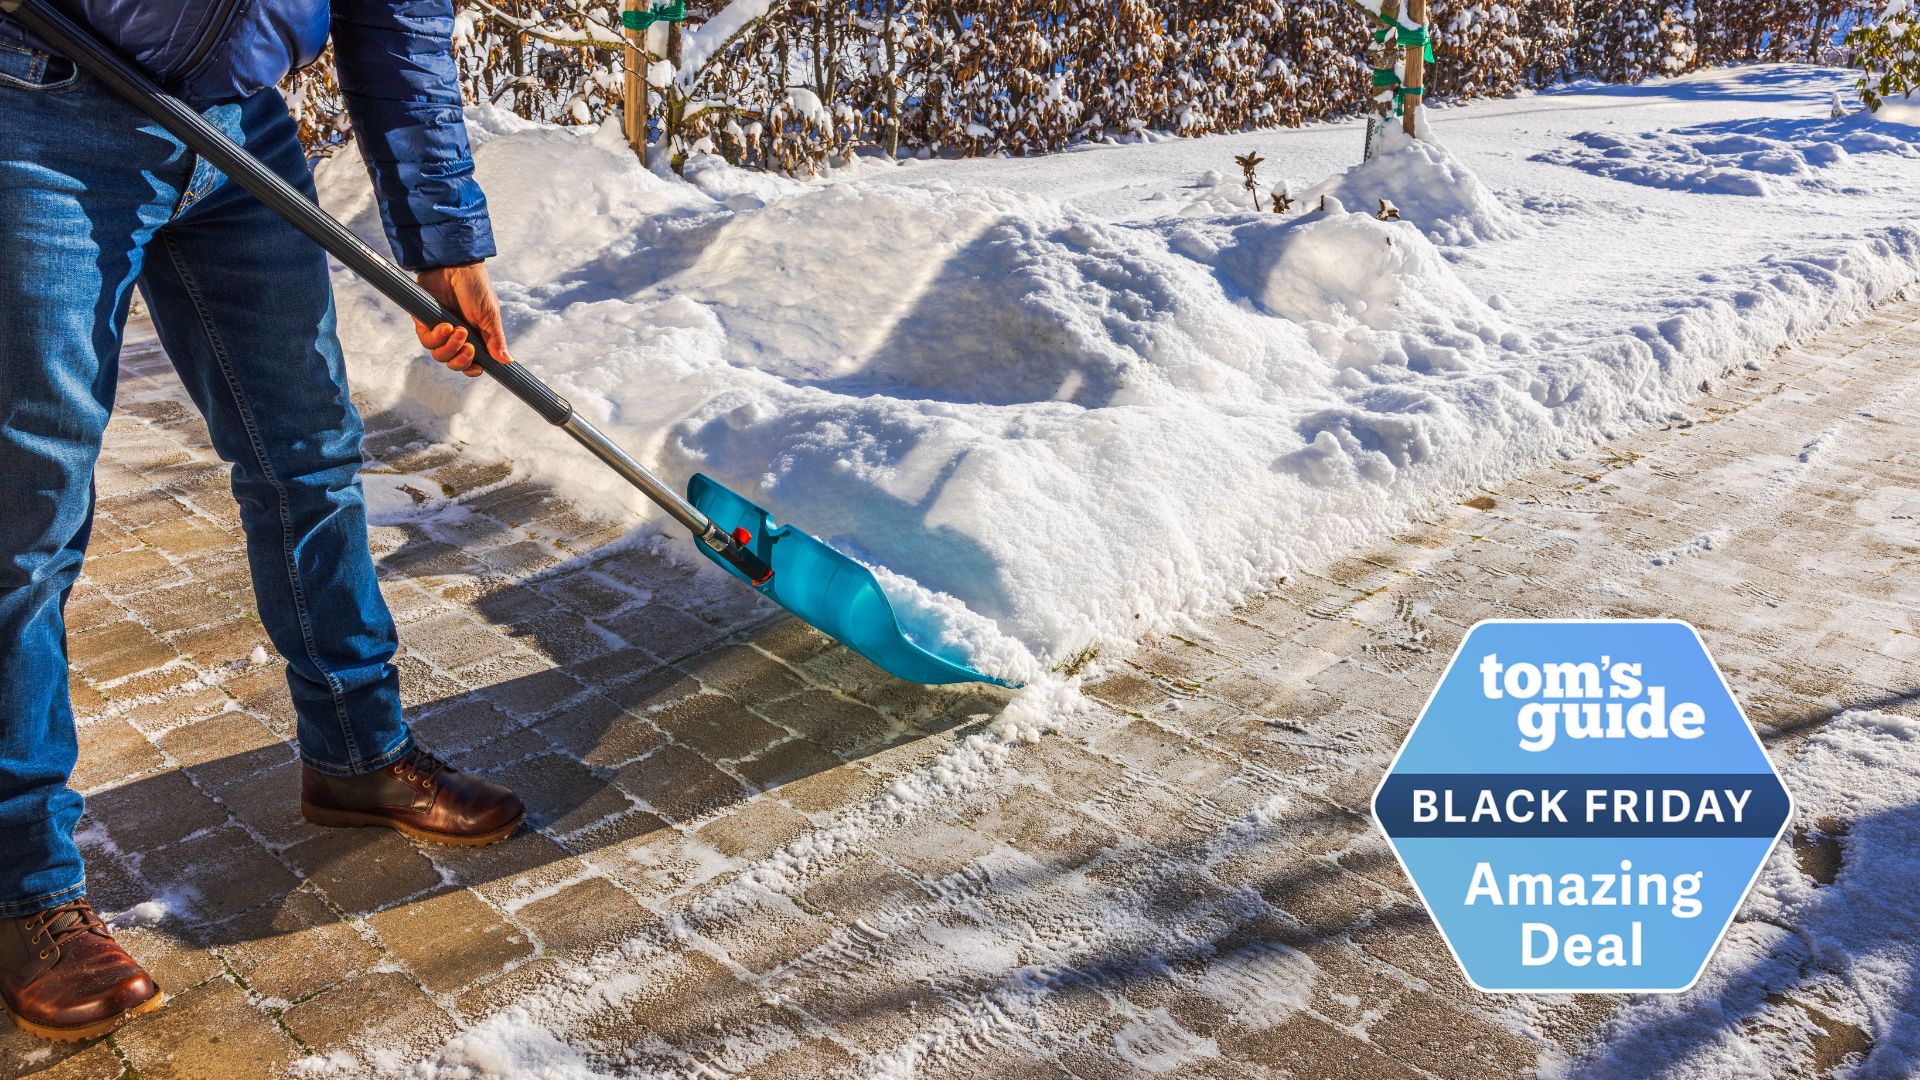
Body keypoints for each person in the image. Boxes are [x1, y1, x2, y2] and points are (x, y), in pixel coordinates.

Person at [0, 0, 526, 1043]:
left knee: (310, 455)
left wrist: (443, 238)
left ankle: (356, 751)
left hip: (239, 126)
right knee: (27, 520)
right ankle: (23, 889)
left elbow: (400, 25)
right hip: (41, 106)